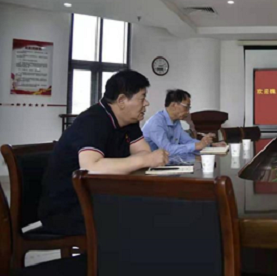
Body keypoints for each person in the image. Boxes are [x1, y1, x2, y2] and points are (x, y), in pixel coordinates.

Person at [39, 70, 169, 236]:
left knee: (156, 208)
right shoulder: (92, 121)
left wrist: (144, 159)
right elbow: (91, 167)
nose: (146, 103)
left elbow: (143, 152)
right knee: (146, 217)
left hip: (99, 197)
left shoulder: (129, 122)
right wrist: (144, 160)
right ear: (122, 100)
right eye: (142, 98)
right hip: (67, 209)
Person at [142, 89, 226, 155]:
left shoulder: (176, 121)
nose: (188, 112)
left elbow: (187, 141)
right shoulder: (156, 123)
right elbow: (167, 150)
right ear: (174, 105)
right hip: (148, 167)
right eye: (186, 107)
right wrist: (197, 145)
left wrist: (210, 145)